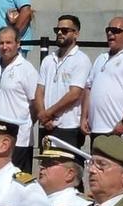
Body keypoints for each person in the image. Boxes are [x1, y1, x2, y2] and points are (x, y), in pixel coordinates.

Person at [0, 25, 39, 172]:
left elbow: (36, 103)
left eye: (8, 43)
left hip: (18, 140)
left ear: (18, 44)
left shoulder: (27, 69)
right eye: (1, 43)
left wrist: (25, 124)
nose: (4, 47)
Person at [85, 17, 123, 139]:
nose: (110, 33)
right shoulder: (101, 58)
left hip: (119, 131)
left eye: (115, 30)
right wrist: (84, 117)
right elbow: (88, 88)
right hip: (96, 129)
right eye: (108, 30)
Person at [37, 15, 89, 154]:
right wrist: (42, 114)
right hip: (47, 126)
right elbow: (39, 90)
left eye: (65, 30)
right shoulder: (48, 60)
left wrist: (48, 113)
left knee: (67, 169)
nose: (59, 33)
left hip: (69, 126)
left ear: (76, 33)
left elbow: (74, 94)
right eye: (57, 30)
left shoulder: (81, 60)